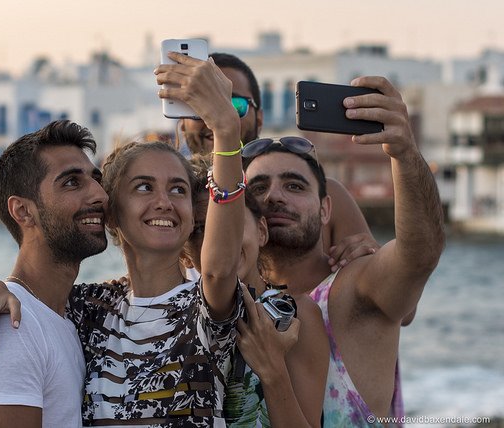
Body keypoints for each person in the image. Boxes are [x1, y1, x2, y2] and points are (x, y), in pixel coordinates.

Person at [0, 52, 253, 426]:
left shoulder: (205, 304)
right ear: (112, 212)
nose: (163, 202)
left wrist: (226, 130)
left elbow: (219, 269)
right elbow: (15, 301)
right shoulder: (92, 307)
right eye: (143, 187)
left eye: (178, 190)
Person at [241, 76, 445, 426]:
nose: (274, 196)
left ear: (325, 210)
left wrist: (404, 152)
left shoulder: (355, 290)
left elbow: (419, 254)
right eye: (259, 187)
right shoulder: (232, 300)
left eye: (293, 185)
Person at [0, 120, 109, 428]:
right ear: (22, 211)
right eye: (72, 183)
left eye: (95, 179)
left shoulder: (59, 316)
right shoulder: (13, 329)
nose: (99, 194)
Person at [180, 52, 381, 272]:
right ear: (181, 123)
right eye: (200, 107)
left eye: (234, 105)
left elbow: (390, 299)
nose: (216, 116)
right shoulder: (169, 200)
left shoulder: (320, 195)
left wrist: (368, 254)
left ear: (259, 118)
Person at [182, 154, 328, 427]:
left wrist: (273, 372)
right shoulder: (176, 317)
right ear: (185, 255)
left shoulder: (295, 317)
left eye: (233, 221)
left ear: (262, 231)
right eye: (200, 230)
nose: (221, 242)